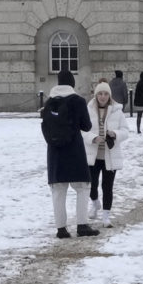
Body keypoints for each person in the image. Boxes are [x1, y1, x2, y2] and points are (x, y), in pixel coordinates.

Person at [40, 69, 95, 239]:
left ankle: (61, 229)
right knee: (82, 187)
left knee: (58, 191)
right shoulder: (77, 101)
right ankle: (82, 225)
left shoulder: (49, 102)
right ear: (72, 83)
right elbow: (86, 126)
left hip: (55, 152)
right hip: (74, 150)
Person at [86, 77, 128, 230]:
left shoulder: (117, 110)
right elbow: (82, 131)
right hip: (93, 155)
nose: (102, 97)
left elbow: (126, 131)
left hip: (110, 156)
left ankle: (106, 216)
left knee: (107, 186)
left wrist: (115, 133)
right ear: (96, 95)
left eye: (105, 94)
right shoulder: (88, 109)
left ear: (109, 95)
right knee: (91, 185)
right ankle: (95, 203)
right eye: (100, 94)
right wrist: (93, 138)